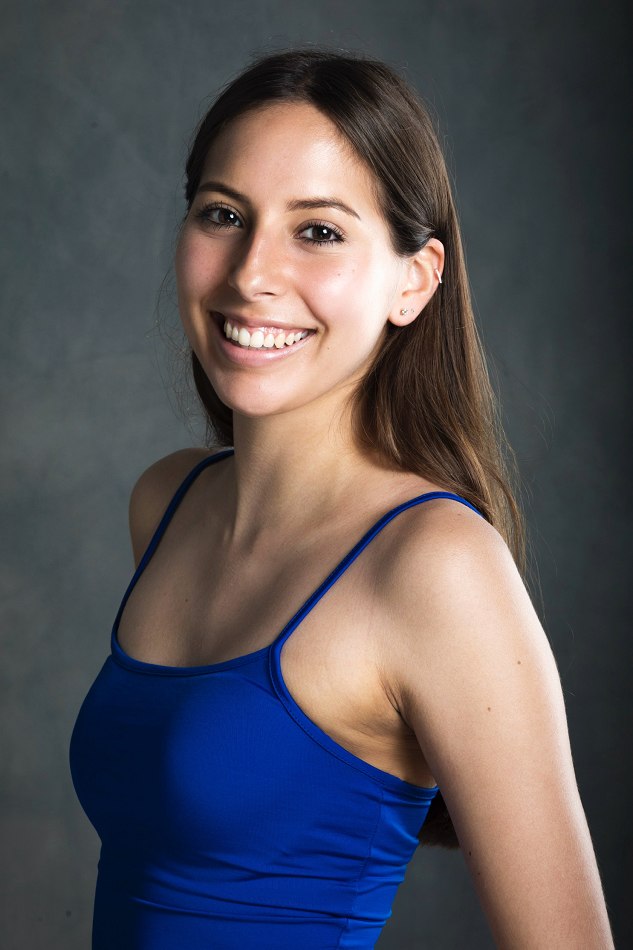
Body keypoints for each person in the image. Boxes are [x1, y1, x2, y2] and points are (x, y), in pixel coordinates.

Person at [69, 48, 613, 949]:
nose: (250, 273)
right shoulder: (167, 503)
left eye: (317, 231)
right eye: (222, 214)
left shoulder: (436, 568)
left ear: (414, 280)